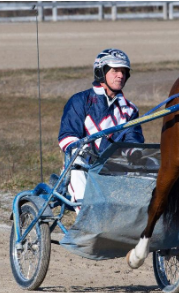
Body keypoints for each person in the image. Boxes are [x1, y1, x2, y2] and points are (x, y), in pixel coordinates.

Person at [58, 48, 144, 213]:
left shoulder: (130, 110)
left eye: (124, 72)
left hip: (114, 170)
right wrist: (83, 149)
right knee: (76, 163)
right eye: (115, 70)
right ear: (101, 71)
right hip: (81, 168)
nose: (121, 75)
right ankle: (87, 219)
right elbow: (66, 137)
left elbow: (134, 142)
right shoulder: (79, 101)